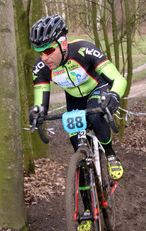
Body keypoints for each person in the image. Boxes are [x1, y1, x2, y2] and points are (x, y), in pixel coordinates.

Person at [29, 14, 127, 230]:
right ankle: (86, 209)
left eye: (47, 50)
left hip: (97, 89)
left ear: (63, 44)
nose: (44, 57)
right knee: (78, 151)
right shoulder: (42, 67)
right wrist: (37, 112)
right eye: (39, 52)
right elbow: (41, 101)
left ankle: (110, 155)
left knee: (94, 116)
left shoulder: (83, 50)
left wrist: (114, 95)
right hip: (73, 99)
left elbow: (119, 79)